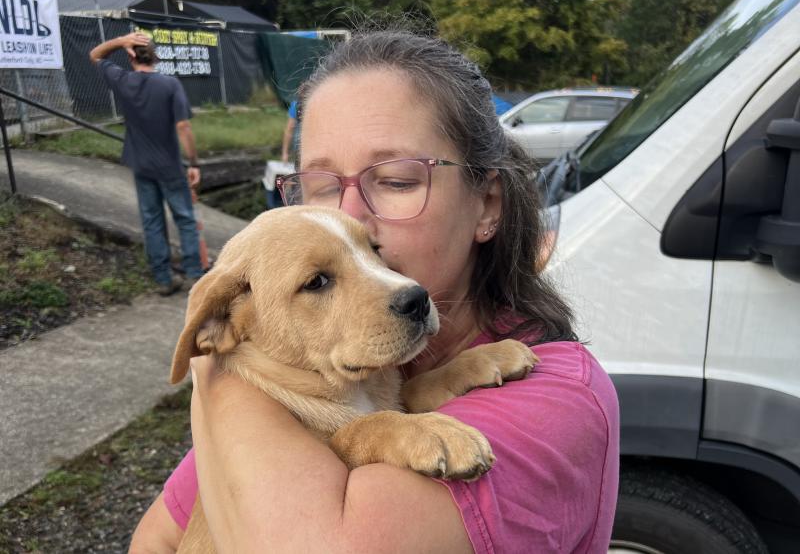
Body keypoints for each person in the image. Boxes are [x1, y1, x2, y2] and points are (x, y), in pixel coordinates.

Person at [130, 30, 620, 552]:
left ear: (488, 204)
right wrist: (215, 336)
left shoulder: (558, 403)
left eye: (397, 180)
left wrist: (213, 378)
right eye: (320, 187)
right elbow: (155, 538)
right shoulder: (307, 371)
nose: (346, 219)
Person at [89, 32, 204, 296]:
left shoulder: (122, 80)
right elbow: (184, 126)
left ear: (131, 55)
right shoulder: (170, 85)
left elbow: (95, 55)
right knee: (184, 218)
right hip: (170, 166)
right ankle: (195, 276)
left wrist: (120, 41)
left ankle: (164, 279)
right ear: (156, 56)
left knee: (152, 220)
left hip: (140, 164)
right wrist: (194, 163)